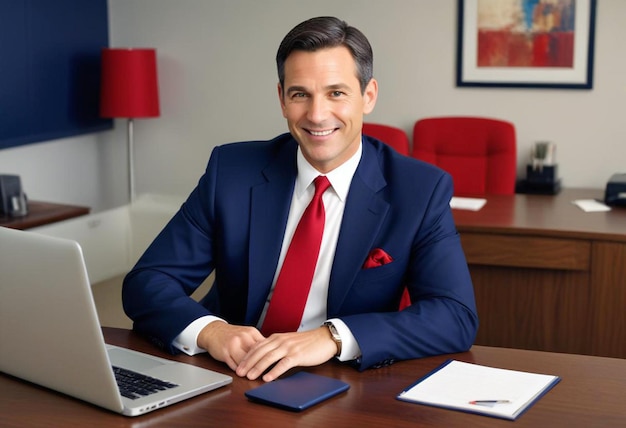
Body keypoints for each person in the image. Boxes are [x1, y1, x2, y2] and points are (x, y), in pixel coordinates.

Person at [122, 16, 478, 382]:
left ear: (368, 96)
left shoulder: (419, 190)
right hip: (229, 372)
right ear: (282, 99)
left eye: (336, 93)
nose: (317, 114)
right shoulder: (231, 172)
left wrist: (333, 337)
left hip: (338, 382)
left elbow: (455, 315)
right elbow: (147, 281)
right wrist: (212, 331)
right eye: (300, 94)